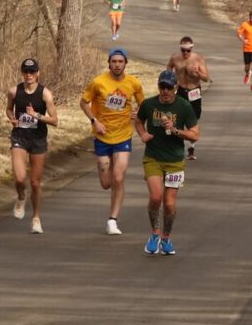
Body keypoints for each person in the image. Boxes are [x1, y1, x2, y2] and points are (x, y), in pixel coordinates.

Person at [80, 48, 145, 235]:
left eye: (120, 61)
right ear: (109, 63)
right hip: (102, 136)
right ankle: (104, 172)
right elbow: (83, 102)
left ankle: (112, 220)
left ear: (126, 63)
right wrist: (94, 121)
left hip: (123, 135)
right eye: (114, 61)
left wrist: (138, 114)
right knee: (106, 183)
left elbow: (144, 104)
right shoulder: (98, 82)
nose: (117, 65)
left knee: (118, 177)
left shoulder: (133, 83)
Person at [135, 70, 199, 256]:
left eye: (169, 87)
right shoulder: (149, 104)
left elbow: (195, 134)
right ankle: (154, 234)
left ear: (176, 88)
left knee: (169, 203)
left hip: (175, 161)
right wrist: (142, 134)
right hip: (153, 157)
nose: (165, 91)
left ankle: (166, 237)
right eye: (162, 87)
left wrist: (176, 130)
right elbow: (139, 121)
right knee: (156, 196)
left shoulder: (184, 107)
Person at [6, 58, 59, 233]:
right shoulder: (14, 91)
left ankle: (36, 217)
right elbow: (9, 109)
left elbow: (54, 120)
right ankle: (21, 196)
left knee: (35, 183)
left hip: (38, 140)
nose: (29, 75)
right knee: (20, 179)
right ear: (22, 72)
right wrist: (12, 118)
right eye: (26, 71)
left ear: (38, 73)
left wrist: (37, 115)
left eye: (32, 72)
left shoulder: (45, 94)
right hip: (20, 137)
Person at [167, 36, 209, 160]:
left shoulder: (198, 59)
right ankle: (176, 146)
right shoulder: (175, 58)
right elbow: (169, 67)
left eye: (188, 50)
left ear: (192, 48)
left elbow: (206, 78)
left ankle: (191, 147)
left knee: (193, 119)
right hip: (180, 90)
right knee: (177, 117)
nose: (185, 53)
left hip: (194, 91)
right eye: (183, 50)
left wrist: (198, 72)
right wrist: (173, 78)